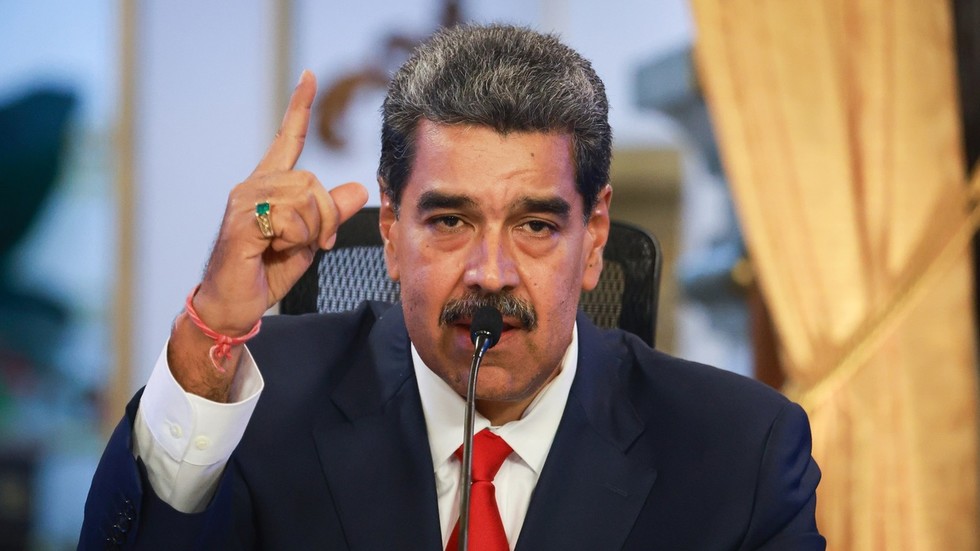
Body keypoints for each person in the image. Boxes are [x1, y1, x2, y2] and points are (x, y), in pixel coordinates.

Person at [80, 24, 824, 550]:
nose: (491, 273)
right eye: (449, 221)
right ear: (393, 231)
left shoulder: (738, 452)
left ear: (594, 236)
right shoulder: (257, 402)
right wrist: (211, 331)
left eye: (536, 224)